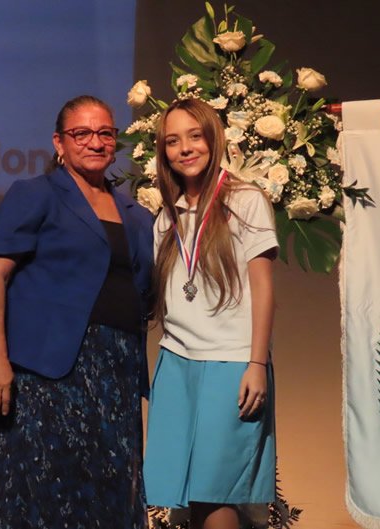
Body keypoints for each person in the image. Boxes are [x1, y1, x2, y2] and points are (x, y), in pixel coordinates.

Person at [0, 95, 153, 529]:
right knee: (36, 488)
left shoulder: (138, 215)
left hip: (115, 371)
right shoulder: (36, 194)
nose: (95, 142)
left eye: (105, 133)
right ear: (59, 142)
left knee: (109, 489)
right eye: (81, 133)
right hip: (45, 372)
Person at [143, 98, 278, 529]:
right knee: (186, 494)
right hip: (176, 362)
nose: (185, 148)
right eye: (172, 141)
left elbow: (263, 287)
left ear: (213, 138)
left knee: (215, 491)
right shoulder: (166, 216)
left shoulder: (246, 200)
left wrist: (256, 363)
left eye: (194, 136)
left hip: (231, 362)